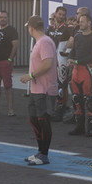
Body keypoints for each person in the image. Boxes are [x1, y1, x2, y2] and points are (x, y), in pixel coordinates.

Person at [22, 16, 58, 164]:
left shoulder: (44, 42)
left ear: (31, 28)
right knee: (35, 120)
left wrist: (31, 75)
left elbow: (47, 63)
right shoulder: (42, 42)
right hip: (38, 89)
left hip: (44, 90)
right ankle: (40, 152)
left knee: (43, 121)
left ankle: (44, 154)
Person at [66, 10, 92, 137]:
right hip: (76, 70)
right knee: (76, 99)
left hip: (87, 70)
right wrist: (71, 59)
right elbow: (73, 50)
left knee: (89, 100)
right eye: (79, 21)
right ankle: (79, 126)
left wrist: (75, 60)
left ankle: (90, 128)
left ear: (89, 23)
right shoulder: (77, 36)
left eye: (82, 21)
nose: (80, 23)